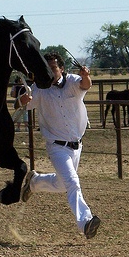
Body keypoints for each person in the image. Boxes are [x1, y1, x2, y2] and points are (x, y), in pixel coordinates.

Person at [17, 52, 101, 239]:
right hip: (56, 147)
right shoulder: (39, 89)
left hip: (76, 146)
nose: (51, 71)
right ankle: (85, 222)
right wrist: (22, 101)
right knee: (72, 182)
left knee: (62, 184)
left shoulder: (72, 81)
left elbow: (85, 85)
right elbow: (21, 103)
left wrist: (86, 75)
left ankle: (34, 183)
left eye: (54, 68)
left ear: (61, 69)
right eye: (48, 68)